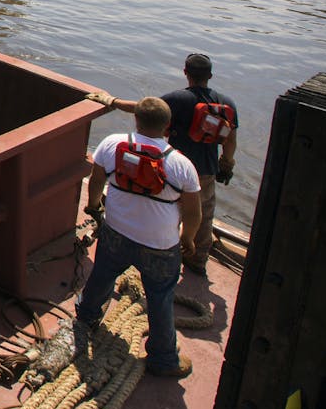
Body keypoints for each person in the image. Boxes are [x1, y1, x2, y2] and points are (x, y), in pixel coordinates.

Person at [77, 96, 202, 378]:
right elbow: (194, 213)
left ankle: (86, 316)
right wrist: (189, 239)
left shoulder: (112, 144)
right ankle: (164, 358)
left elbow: (97, 181)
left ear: (136, 119)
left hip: (117, 232)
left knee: (103, 275)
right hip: (160, 245)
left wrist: (94, 206)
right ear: (168, 126)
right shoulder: (181, 165)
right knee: (160, 296)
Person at [88, 53, 238, 275]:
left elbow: (144, 109)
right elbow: (230, 141)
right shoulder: (227, 103)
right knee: (202, 215)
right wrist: (226, 164)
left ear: (185, 72)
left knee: (167, 211)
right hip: (205, 170)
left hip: (173, 168)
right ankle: (196, 260)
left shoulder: (178, 100)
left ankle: (159, 252)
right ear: (210, 76)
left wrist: (111, 101)